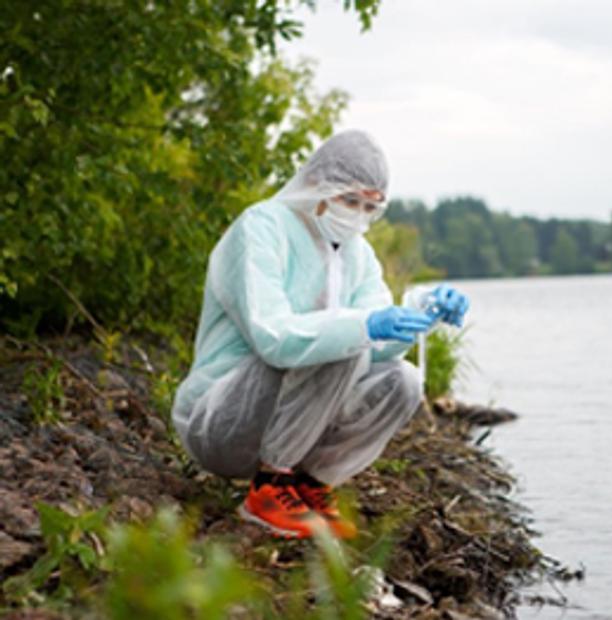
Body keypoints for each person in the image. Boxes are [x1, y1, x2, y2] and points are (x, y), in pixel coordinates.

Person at [172, 130, 469, 540]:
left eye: (369, 207)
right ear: (319, 185)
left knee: (403, 380)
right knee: (343, 341)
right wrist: (361, 325)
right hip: (224, 419)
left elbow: (378, 345)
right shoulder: (261, 227)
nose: (358, 215)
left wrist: (423, 312)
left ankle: (308, 485)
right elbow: (272, 336)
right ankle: (268, 491)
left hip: (294, 432)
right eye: (350, 200)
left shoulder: (356, 253)